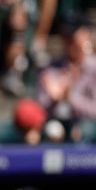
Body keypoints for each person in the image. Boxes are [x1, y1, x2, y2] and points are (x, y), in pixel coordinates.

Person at [35, 13, 96, 143]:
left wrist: (69, 98)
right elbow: (41, 109)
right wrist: (54, 100)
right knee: (47, 130)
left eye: (73, 36)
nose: (69, 41)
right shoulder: (51, 68)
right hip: (56, 124)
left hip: (85, 126)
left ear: (86, 34)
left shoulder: (93, 68)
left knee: (84, 129)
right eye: (66, 36)